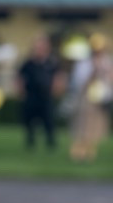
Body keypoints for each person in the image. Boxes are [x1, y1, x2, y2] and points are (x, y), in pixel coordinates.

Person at [67, 33, 112, 163]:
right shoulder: (84, 63)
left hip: (101, 99)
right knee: (82, 126)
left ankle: (90, 152)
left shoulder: (107, 62)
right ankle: (78, 152)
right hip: (86, 99)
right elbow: (79, 82)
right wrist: (94, 72)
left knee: (95, 128)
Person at [18, 35, 62, 151]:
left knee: (48, 119)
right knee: (29, 120)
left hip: (45, 96)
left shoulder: (51, 63)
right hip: (31, 95)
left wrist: (56, 89)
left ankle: (50, 141)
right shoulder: (28, 63)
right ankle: (30, 140)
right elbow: (20, 78)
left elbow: (57, 77)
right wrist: (21, 91)